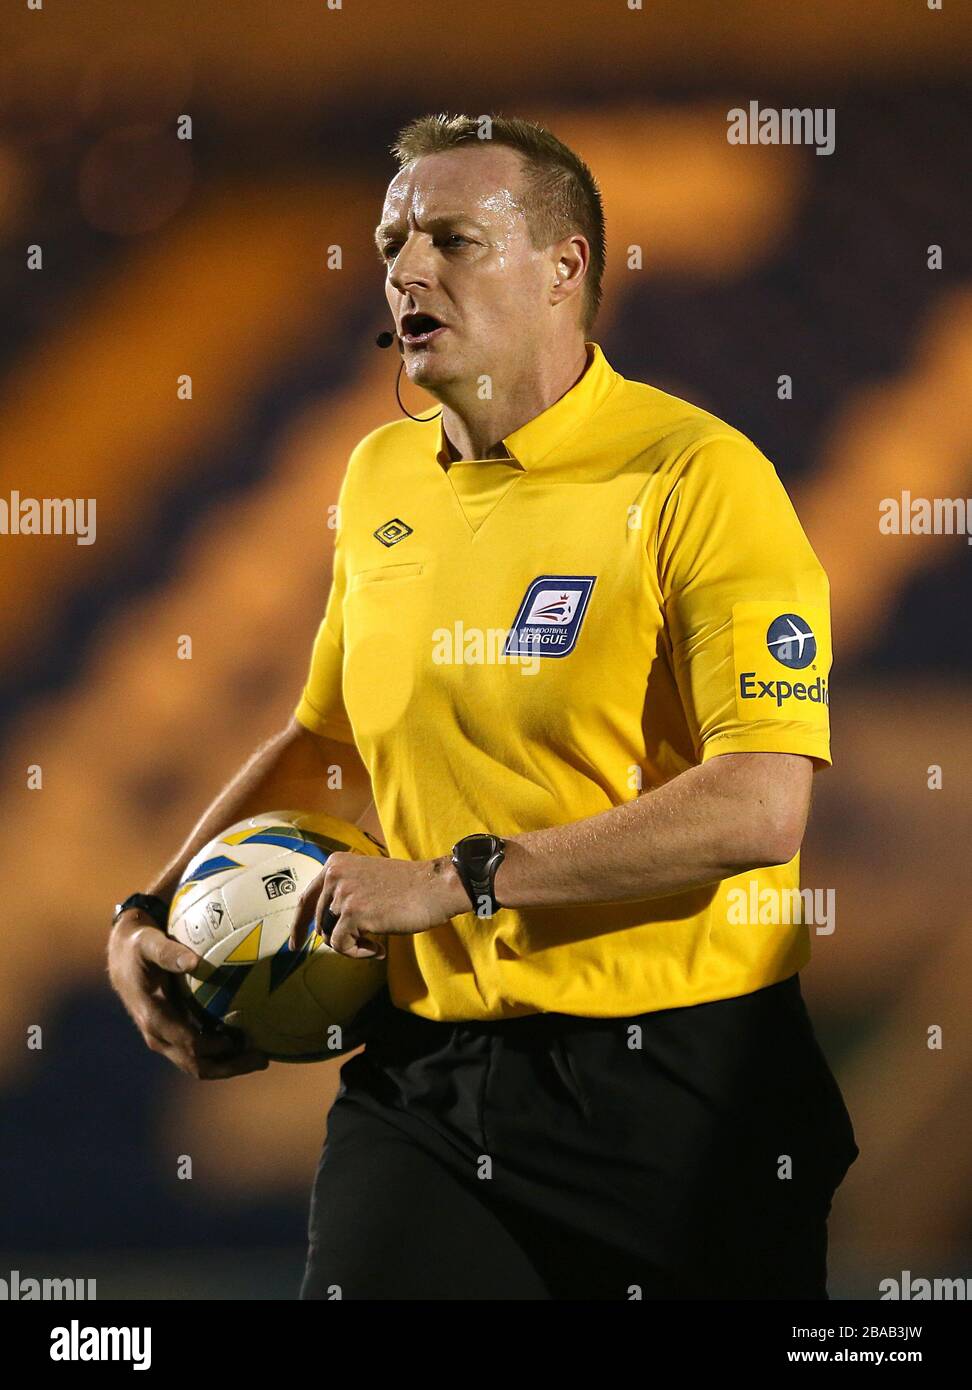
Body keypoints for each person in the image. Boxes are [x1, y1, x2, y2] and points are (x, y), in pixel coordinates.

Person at [107, 112, 858, 1300]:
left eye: (453, 238)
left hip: (684, 1090)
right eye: (392, 239)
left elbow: (761, 807)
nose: (408, 268)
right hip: (429, 1081)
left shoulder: (700, 478)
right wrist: (151, 909)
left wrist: (459, 880)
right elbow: (325, 741)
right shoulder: (378, 476)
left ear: (566, 270)